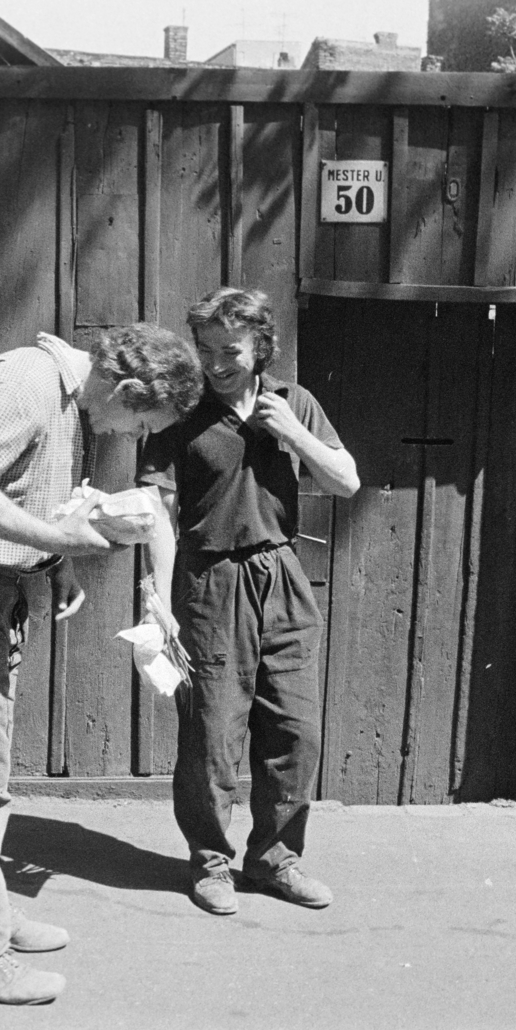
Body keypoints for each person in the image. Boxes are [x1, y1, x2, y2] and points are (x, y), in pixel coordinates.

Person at [0, 324, 202, 1005]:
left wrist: (52, 563)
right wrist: (55, 538)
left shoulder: (75, 405)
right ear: (125, 387)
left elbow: (23, 486)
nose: (132, 435)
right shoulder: (28, 384)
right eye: (141, 419)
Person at [139, 287, 360, 916]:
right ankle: (210, 863)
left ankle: (274, 860)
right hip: (208, 582)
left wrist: (293, 433)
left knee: (295, 729)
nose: (215, 362)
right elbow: (155, 507)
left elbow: (346, 480)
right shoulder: (181, 410)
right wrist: (157, 594)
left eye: (229, 349)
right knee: (212, 734)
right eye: (205, 349)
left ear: (260, 345)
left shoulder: (296, 403)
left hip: (282, 577)